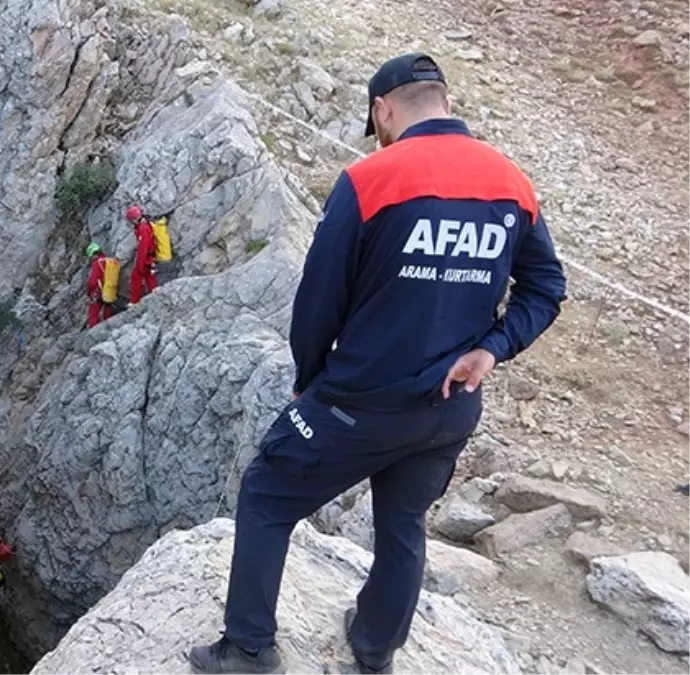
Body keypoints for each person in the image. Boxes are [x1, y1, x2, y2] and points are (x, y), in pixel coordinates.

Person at [187, 52, 567, 675]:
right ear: (443, 101)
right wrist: (492, 348)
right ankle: (374, 646)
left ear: (383, 110)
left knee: (266, 495)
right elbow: (547, 288)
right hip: (450, 406)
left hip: (360, 401)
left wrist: (311, 385)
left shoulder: (373, 179)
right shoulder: (512, 183)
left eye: (379, 122)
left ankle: (248, 647)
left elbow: (318, 301)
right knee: (403, 520)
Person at [126, 205, 158, 303]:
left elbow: (143, 248)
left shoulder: (142, 229)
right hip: (150, 257)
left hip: (146, 259)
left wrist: (140, 264)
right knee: (149, 276)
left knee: (136, 276)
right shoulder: (145, 224)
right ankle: (155, 293)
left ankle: (134, 301)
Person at [86, 243, 113, 328]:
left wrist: (89, 293)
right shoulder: (108, 260)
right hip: (110, 289)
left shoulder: (96, 263)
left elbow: (93, 281)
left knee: (93, 312)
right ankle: (109, 325)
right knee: (107, 307)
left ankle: (94, 329)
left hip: (98, 291)